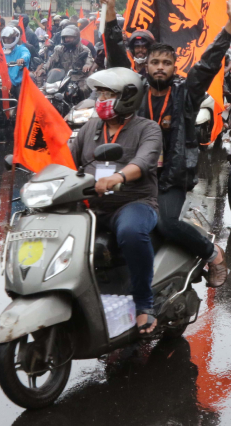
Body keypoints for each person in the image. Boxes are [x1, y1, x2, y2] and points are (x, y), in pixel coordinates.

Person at [101, 0, 230, 287]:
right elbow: (116, 56)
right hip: (135, 173)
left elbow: (208, 64)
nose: (160, 68)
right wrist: (109, 14)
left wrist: (230, 27)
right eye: (155, 63)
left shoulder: (185, 93)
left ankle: (213, 254)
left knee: (166, 224)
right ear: (146, 64)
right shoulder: (134, 90)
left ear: (174, 67)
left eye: (166, 63)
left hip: (171, 176)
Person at [69, 67, 163, 334]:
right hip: (91, 205)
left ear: (128, 97)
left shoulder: (148, 129)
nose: (101, 99)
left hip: (134, 203)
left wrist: (118, 177)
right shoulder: (90, 127)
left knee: (132, 233)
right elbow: (67, 159)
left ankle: (144, 303)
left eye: (108, 93)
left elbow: (143, 162)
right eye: (99, 93)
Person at [42, 25, 94, 96]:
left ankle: (82, 106)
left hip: (79, 77)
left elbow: (89, 59)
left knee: (83, 89)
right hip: (62, 78)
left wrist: (87, 65)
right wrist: (43, 68)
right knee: (45, 90)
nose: (67, 39)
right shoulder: (59, 49)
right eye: (66, 37)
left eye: (70, 37)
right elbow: (51, 60)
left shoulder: (83, 49)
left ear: (76, 37)